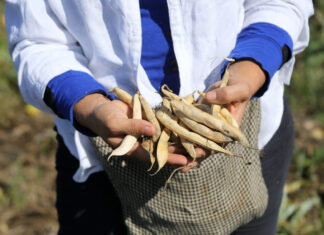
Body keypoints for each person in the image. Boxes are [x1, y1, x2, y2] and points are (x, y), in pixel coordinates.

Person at [5, 0, 313, 234]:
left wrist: (252, 65)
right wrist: (92, 106)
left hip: (247, 136)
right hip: (102, 156)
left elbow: (281, 3)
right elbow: (37, 40)